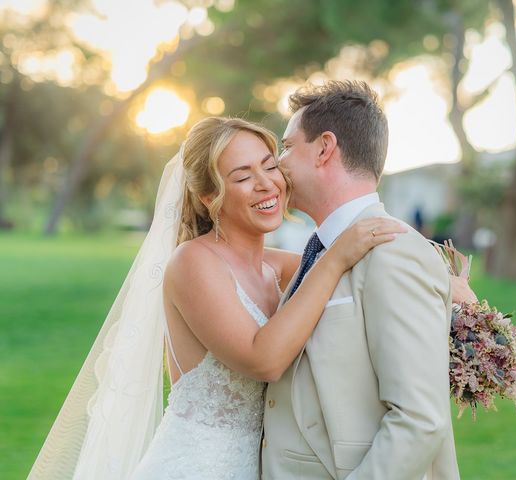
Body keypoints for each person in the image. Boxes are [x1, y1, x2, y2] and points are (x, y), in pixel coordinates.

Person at [28, 117, 406, 480]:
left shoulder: (279, 268)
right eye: (242, 176)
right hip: (194, 468)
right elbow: (265, 361)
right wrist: (336, 257)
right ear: (210, 196)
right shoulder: (193, 263)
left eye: (270, 166)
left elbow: (368, 265)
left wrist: (436, 270)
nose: (266, 184)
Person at [262, 81, 460, 479]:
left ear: (324, 148)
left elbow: (420, 420)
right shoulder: (321, 247)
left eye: (286, 146)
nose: (278, 164)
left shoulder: (394, 252)